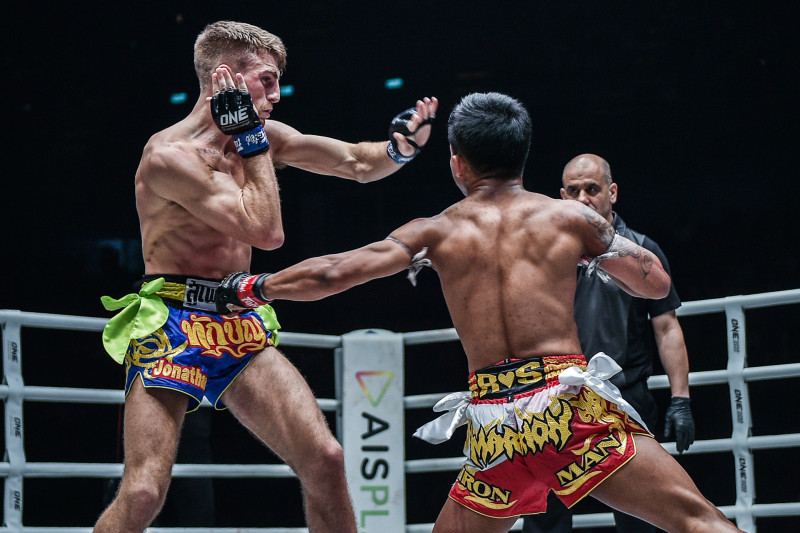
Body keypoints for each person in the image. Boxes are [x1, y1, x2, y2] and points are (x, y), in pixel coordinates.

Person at [213, 92, 742, 533]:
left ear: (457, 162)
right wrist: (599, 250)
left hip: (498, 433)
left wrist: (249, 287)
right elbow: (656, 284)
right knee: (698, 522)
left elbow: (333, 273)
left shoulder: (436, 230)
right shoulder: (569, 219)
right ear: (522, 158)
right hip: (570, 413)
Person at [95, 20, 437, 532]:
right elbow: (267, 232)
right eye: (267, 80)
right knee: (144, 492)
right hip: (170, 319)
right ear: (226, 78)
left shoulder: (261, 139)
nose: (277, 96)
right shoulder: (169, 157)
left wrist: (400, 149)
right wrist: (253, 141)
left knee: (325, 460)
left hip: (236, 318)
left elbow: (355, 162)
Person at [523, 154, 695, 532]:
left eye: (592, 189)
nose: (583, 198)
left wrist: (680, 399)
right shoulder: (544, 256)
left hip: (625, 401)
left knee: (641, 517)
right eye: (573, 191)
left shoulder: (640, 250)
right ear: (562, 196)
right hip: (554, 402)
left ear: (612, 193)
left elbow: (666, 327)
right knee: (544, 521)